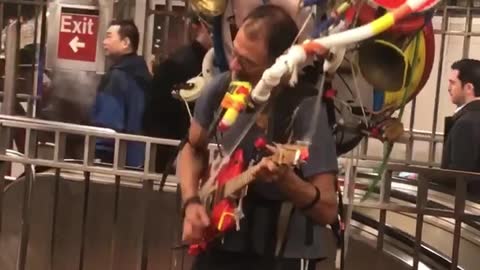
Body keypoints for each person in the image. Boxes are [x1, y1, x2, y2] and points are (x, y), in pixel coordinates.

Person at [178, 5, 338, 270]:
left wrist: (288, 182)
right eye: (235, 54)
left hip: (280, 252)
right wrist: (191, 201)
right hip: (219, 242)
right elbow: (192, 147)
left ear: (279, 64)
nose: (233, 66)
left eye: (247, 63)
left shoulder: (305, 108)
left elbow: (328, 209)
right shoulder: (221, 87)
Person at [143, 15, 212, 171]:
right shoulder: (177, 65)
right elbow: (154, 117)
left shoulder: (224, 66)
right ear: (201, 26)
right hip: (177, 154)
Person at [91, 20, 151, 167]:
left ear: (125, 43)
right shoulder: (143, 75)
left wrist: (99, 155)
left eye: (109, 36)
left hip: (115, 160)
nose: (104, 41)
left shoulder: (117, 77)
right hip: (138, 157)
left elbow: (108, 126)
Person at [441, 58, 480, 195]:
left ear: (468, 88)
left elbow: (458, 175)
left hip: (466, 206)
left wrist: (422, 176)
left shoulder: (467, 123)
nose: (448, 88)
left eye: (453, 83)